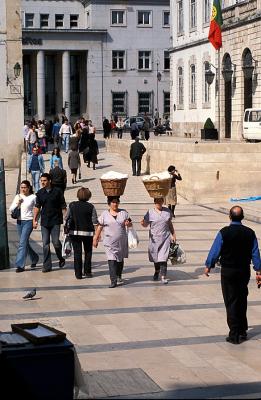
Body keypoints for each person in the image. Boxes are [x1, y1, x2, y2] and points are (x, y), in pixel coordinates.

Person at [205, 206, 261, 344]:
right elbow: (255, 253)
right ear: (242, 217)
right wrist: (258, 270)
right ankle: (242, 330)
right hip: (243, 271)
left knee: (231, 300)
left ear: (230, 216)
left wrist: (209, 265)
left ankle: (234, 334)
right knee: (241, 298)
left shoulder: (224, 232)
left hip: (228, 271)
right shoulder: (250, 233)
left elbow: (215, 250)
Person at [93, 196, 132, 288]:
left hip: (121, 241)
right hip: (109, 242)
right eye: (113, 202)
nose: (115, 204)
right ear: (109, 203)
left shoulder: (124, 213)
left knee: (119, 259)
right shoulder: (104, 214)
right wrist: (96, 237)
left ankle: (118, 275)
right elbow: (99, 227)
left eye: (117, 202)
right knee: (111, 260)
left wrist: (128, 224)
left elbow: (130, 222)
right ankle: (113, 280)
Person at [33, 173, 67, 273]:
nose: (42, 182)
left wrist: (66, 220)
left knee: (56, 242)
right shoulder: (39, 193)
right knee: (45, 244)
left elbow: (63, 206)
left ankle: (61, 257)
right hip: (44, 221)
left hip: (56, 220)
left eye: (44, 180)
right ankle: (47, 265)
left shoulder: (58, 191)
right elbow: (37, 207)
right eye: (41, 181)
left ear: (49, 181)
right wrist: (34, 220)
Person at [65, 188, 98, 279]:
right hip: (88, 233)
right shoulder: (91, 206)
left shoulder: (72, 205)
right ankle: (87, 271)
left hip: (75, 232)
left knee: (77, 252)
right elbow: (94, 221)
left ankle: (78, 274)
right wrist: (97, 234)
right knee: (88, 252)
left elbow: (66, 217)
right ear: (88, 196)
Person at [141, 197, 176, 284]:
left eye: (160, 201)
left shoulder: (167, 211)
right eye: (157, 201)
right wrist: (143, 223)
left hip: (165, 238)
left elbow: (169, 223)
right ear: (154, 202)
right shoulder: (150, 213)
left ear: (163, 201)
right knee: (156, 258)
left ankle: (163, 276)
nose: (159, 203)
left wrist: (173, 234)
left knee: (163, 258)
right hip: (154, 239)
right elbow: (145, 224)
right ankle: (157, 271)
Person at [9, 180, 39, 273]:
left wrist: (35, 220)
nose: (23, 189)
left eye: (24, 187)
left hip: (28, 221)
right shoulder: (18, 196)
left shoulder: (34, 197)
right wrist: (18, 203)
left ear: (29, 188)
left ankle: (20, 265)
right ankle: (35, 258)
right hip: (19, 221)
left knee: (22, 243)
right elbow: (11, 209)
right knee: (24, 242)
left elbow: (37, 209)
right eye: (21, 187)